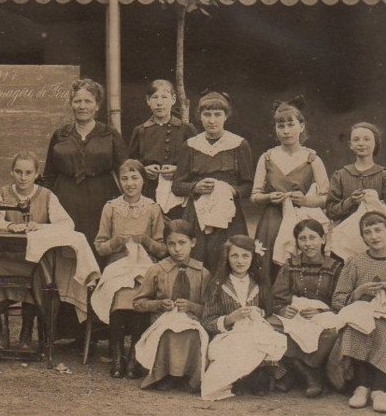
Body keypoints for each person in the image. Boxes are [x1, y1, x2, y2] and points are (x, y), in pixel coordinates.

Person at [0, 150, 75, 351]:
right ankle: (2, 331)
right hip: (6, 253)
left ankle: (26, 331)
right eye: (18, 172)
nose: (23, 177)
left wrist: (41, 226)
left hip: (35, 256)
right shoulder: (1, 193)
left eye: (28, 172)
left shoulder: (46, 195)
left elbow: (67, 223)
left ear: (36, 174)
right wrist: (9, 227)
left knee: (37, 271)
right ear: (11, 172)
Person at [332, 210, 386, 413]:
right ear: (362, 237)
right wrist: (359, 292)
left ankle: (379, 389)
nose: (374, 236)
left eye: (378, 230)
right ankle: (360, 386)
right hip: (359, 312)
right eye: (367, 232)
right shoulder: (355, 263)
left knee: (383, 328)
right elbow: (338, 300)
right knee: (356, 327)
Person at [93, 159, 166, 378]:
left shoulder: (153, 208)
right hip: (117, 266)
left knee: (140, 295)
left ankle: (134, 356)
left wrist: (145, 240)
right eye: (124, 178)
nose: (130, 183)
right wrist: (116, 241)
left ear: (144, 180)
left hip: (144, 266)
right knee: (118, 293)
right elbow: (100, 247)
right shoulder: (111, 207)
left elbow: (162, 250)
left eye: (135, 178)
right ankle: (117, 357)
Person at [172, 91, 254, 274]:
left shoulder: (238, 144)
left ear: (226, 116)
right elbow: (177, 185)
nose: (212, 120)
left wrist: (231, 191)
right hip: (197, 216)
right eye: (207, 115)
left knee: (226, 259)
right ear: (199, 117)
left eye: (217, 115)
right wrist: (195, 187)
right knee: (198, 260)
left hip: (228, 215)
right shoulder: (191, 146)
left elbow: (248, 185)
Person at [42, 78, 128, 252]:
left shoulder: (110, 135)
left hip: (101, 198)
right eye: (77, 101)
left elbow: (125, 171)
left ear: (97, 106)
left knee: (97, 243)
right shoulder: (60, 135)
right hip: (65, 198)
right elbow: (49, 175)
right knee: (66, 244)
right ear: (71, 104)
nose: (82, 106)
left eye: (88, 101)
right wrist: (44, 205)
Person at [251, 98, 329, 280]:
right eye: (280, 126)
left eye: (290, 125)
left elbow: (326, 197)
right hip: (271, 221)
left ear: (301, 126)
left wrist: (306, 201)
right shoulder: (267, 157)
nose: (286, 131)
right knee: (267, 266)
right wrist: (269, 197)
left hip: (301, 219)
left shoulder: (312, 159)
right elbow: (254, 196)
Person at [201, 235, 286, 400]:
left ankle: (257, 376)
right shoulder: (218, 284)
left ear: (253, 258)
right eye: (234, 256)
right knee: (235, 345)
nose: (240, 261)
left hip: (254, 331)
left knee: (264, 339)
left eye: (245, 256)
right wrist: (230, 318)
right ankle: (238, 378)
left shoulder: (259, 282)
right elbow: (207, 320)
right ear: (227, 258)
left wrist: (259, 312)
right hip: (228, 335)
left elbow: (267, 309)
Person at [268, 218, 342, 398]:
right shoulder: (290, 266)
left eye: (312, 237)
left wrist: (322, 311)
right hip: (295, 314)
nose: (308, 244)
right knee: (269, 327)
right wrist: (282, 309)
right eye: (302, 239)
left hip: (323, 314)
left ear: (323, 239)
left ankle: (302, 371)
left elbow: (341, 299)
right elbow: (278, 296)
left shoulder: (335, 267)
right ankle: (308, 374)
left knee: (330, 333)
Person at [132, 220, 210, 392]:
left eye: (182, 243)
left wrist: (191, 306)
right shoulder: (157, 270)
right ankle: (165, 374)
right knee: (168, 333)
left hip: (192, 320)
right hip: (162, 321)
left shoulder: (202, 273)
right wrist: (159, 303)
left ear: (193, 243)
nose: (177, 249)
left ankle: (189, 376)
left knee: (193, 334)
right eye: (171, 244)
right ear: (165, 245)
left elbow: (210, 309)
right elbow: (138, 303)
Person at [127, 79, 197, 207]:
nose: (159, 103)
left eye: (164, 97)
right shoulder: (140, 131)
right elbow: (131, 164)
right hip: (148, 192)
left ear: (173, 99)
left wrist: (178, 170)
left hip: (178, 193)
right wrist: (143, 170)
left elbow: (197, 162)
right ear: (148, 100)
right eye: (155, 98)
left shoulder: (186, 129)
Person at [325, 122, 386, 222]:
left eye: (367, 139)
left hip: (376, 234)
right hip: (347, 234)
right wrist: (350, 202)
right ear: (350, 145)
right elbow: (330, 212)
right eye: (356, 139)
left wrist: (376, 204)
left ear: (375, 143)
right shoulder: (340, 175)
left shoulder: (385, 176)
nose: (361, 143)